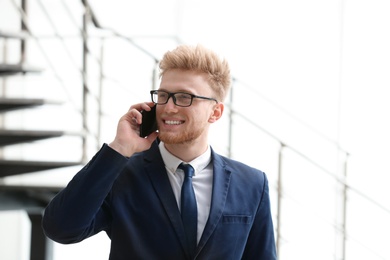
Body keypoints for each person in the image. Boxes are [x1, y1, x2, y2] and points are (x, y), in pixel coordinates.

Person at [42, 44, 277, 259]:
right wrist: (120, 148)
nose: (169, 108)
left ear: (215, 112)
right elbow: (61, 229)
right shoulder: (120, 174)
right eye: (163, 96)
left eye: (185, 97)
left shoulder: (252, 184)